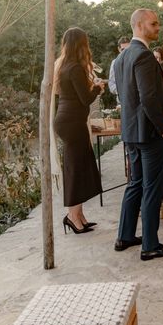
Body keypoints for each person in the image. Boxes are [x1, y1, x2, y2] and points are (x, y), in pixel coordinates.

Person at [113, 8, 163, 261]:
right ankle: (150, 244)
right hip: (149, 134)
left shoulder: (121, 58)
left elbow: (125, 97)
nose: (158, 27)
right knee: (152, 188)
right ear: (139, 25)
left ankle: (125, 236)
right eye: (154, 23)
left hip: (130, 131)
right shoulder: (145, 56)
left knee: (135, 183)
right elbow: (148, 99)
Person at [54, 27, 105, 234]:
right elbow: (85, 99)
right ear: (81, 44)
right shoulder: (74, 68)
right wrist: (98, 87)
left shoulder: (65, 66)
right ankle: (73, 217)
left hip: (69, 120)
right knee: (75, 170)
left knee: (79, 167)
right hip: (71, 122)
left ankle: (79, 215)